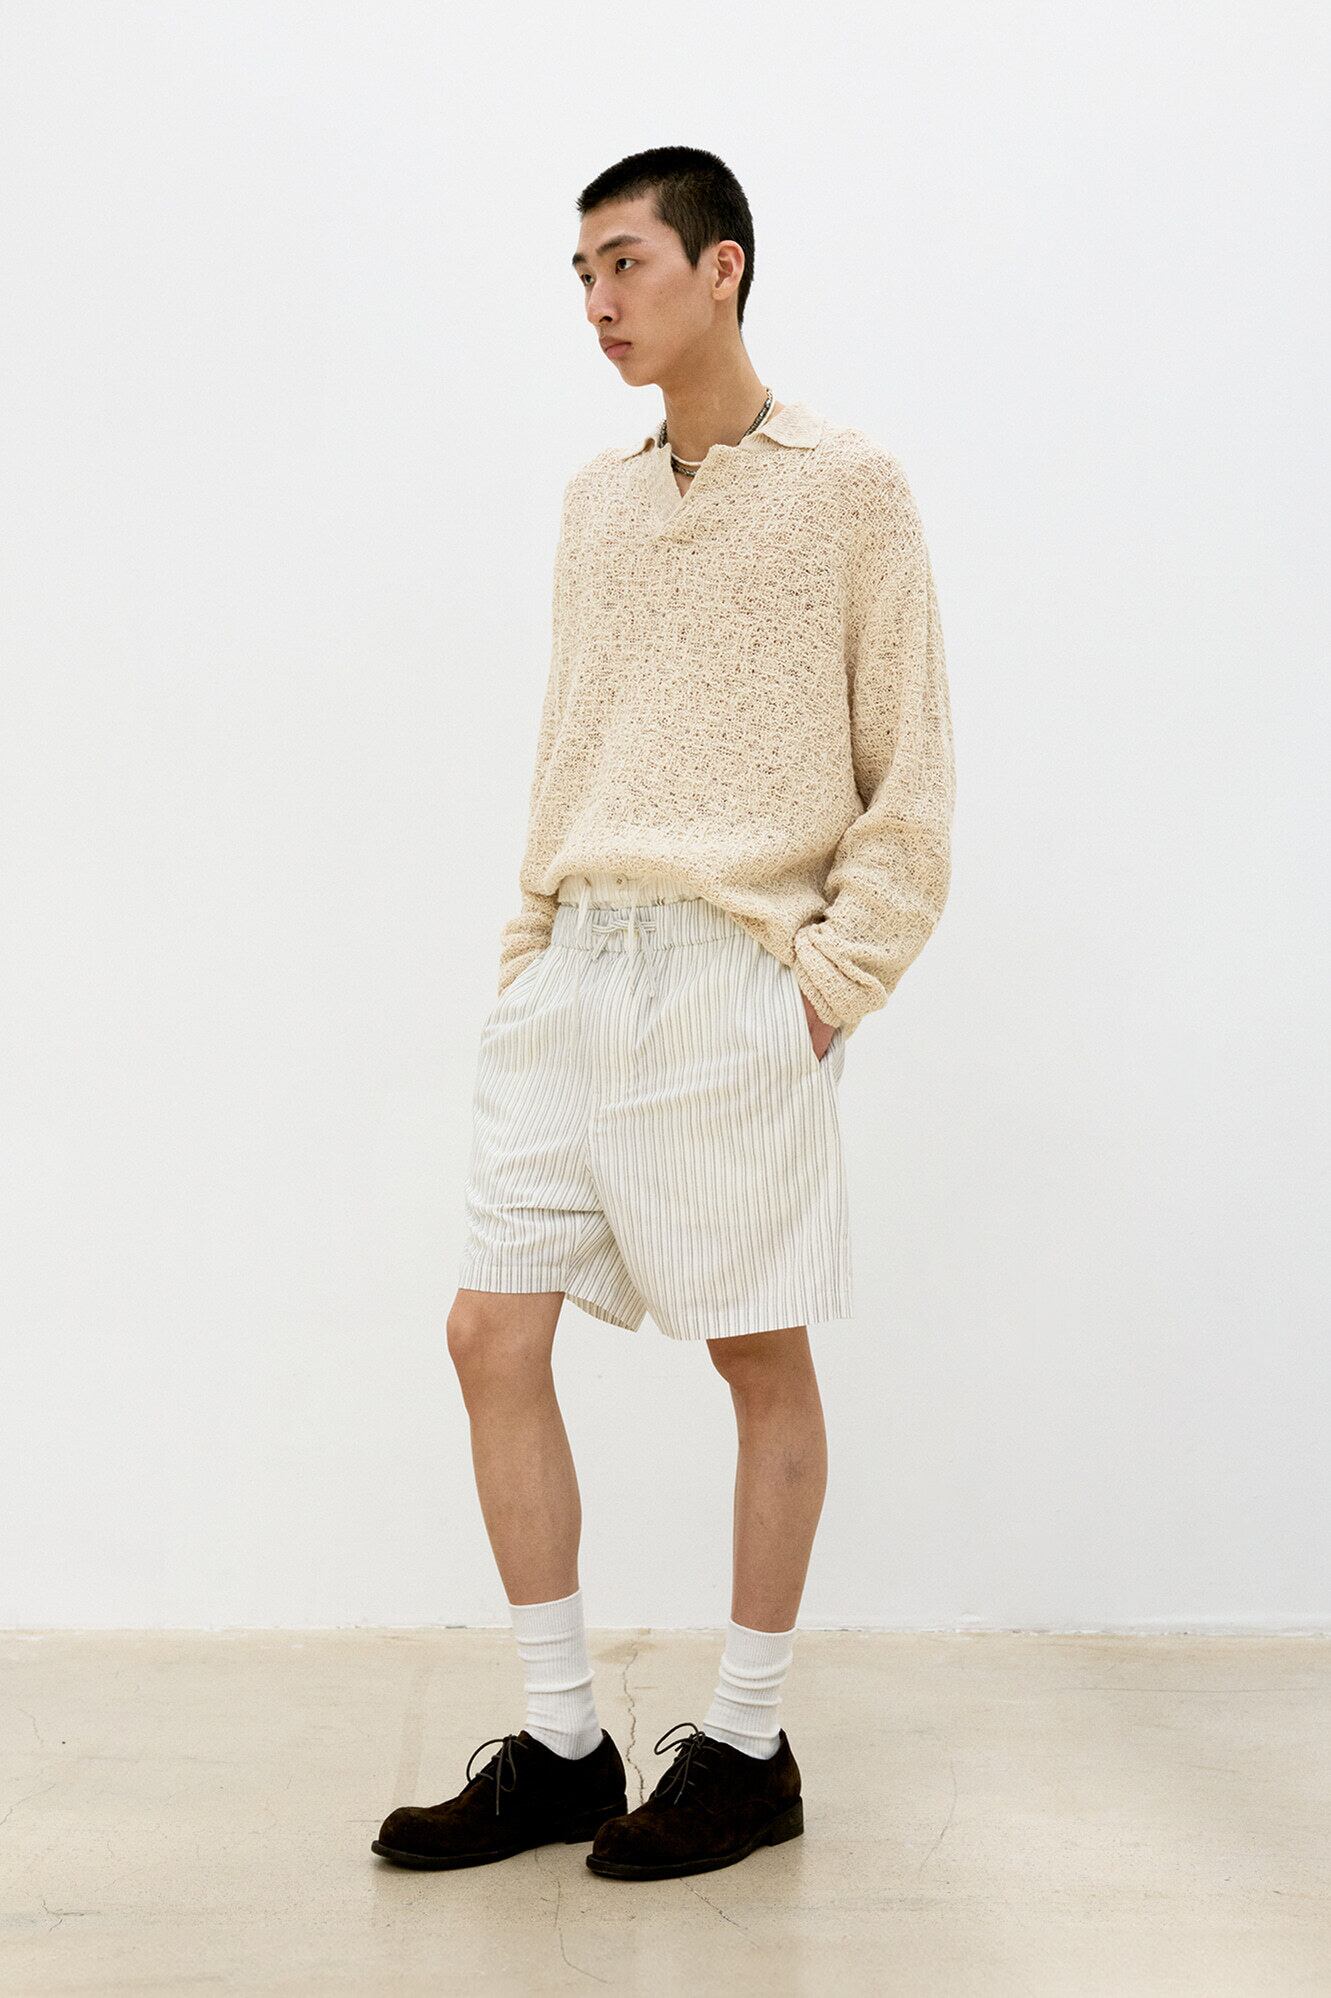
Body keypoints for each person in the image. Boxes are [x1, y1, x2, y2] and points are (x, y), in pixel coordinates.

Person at [373, 145, 955, 1882]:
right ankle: (565, 1744)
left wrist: (821, 992)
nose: (598, 302)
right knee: (489, 1334)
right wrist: (529, 952)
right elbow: (570, 746)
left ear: (724, 267)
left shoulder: (852, 491)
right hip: (575, 971)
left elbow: (912, 782)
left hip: (733, 977)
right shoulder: (596, 506)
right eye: (580, 274)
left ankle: (750, 1746)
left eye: (624, 263)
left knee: (755, 1354)